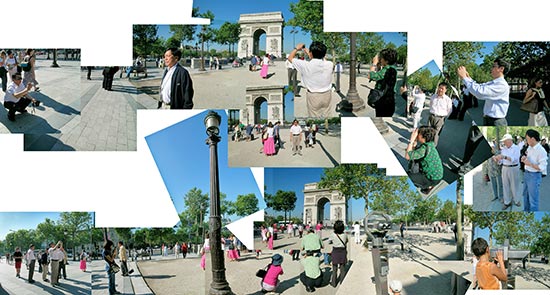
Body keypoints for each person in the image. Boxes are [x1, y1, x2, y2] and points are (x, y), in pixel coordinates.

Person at [457, 57, 510, 126]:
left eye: (494, 66)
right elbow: (479, 86)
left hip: (496, 122)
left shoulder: (501, 85)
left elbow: (479, 93)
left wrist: (464, 78)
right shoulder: (493, 83)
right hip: (489, 119)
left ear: (501, 69)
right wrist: (468, 78)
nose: (491, 69)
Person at [288, 42, 333, 118]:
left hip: (313, 96)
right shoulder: (329, 64)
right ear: (324, 54)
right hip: (327, 94)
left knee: (314, 117)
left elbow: (290, 58)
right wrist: (311, 53)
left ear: (311, 54)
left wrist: (297, 48)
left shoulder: (305, 65)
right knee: (327, 115)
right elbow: (321, 59)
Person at [406, 126, 444, 194]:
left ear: (423, 137)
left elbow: (408, 156)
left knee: (409, 175)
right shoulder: (430, 144)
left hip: (432, 179)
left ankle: (427, 186)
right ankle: (428, 185)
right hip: (438, 176)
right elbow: (415, 153)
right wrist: (414, 145)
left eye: (418, 134)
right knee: (415, 162)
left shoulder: (424, 149)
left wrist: (411, 141)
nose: (416, 135)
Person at [521, 129, 548, 212]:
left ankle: (533, 213)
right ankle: (526, 210)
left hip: (534, 176)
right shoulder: (530, 147)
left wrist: (530, 164)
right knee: (525, 195)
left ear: (532, 139)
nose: (526, 140)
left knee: (533, 200)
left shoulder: (541, 151)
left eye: (527, 138)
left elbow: (542, 167)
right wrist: (524, 158)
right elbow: (528, 157)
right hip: (526, 174)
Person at [368, 48, 398, 117]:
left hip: (383, 102)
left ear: (386, 61)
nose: (380, 59)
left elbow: (370, 76)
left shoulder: (387, 69)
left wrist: (374, 63)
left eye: (381, 58)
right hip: (390, 101)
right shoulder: (393, 69)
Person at [494, 134, 521, 210]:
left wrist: (504, 157)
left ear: (510, 140)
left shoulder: (516, 148)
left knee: (514, 185)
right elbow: (502, 160)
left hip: (514, 168)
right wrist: (498, 160)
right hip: (505, 168)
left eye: (505, 141)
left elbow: (515, 159)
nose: (504, 143)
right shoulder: (503, 149)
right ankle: (507, 202)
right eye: (504, 142)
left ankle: (516, 200)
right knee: (505, 185)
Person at [329, 220, 348, 287]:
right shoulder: (345, 235)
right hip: (342, 252)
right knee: (342, 269)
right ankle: (342, 283)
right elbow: (346, 241)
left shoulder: (332, 235)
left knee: (334, 269)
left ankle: (333, 283)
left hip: (335, 252)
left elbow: (329, 242)